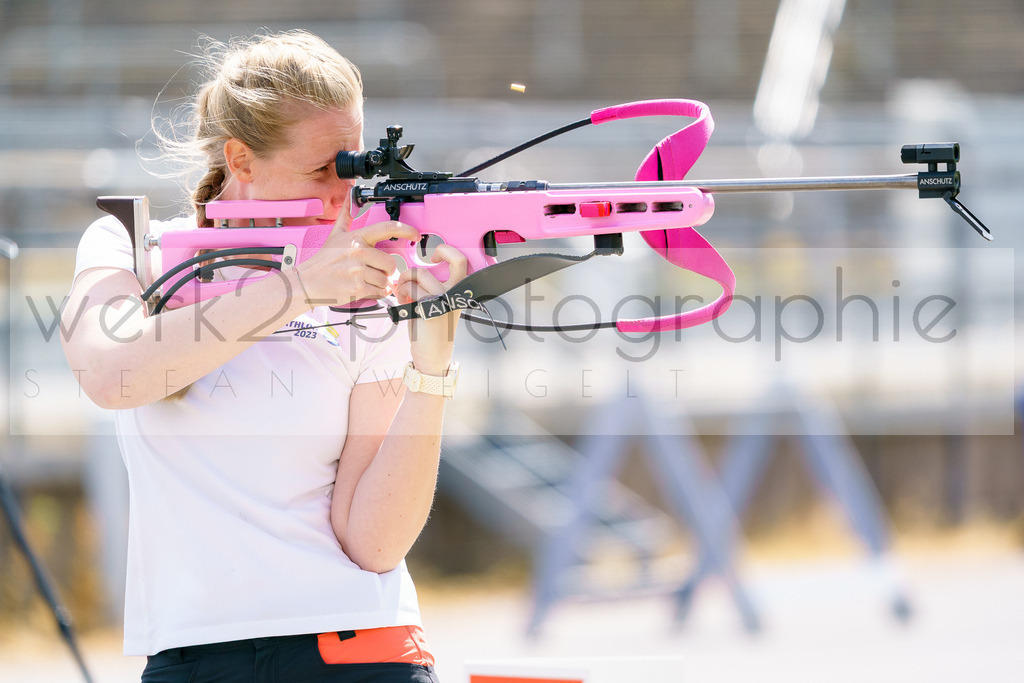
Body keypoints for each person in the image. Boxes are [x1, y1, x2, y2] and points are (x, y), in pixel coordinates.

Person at [61, 30, 464, 683]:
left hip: (358, 649)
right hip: (190, 655)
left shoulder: (364, 276)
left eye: (354, 168)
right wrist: (299, 288)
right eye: (321, 171)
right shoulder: (131, 246)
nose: (343, 196)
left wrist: (433, 366)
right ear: (240, 159)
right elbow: (112, 374)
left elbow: (374, 543)